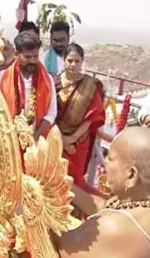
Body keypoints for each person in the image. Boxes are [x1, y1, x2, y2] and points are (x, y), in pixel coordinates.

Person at [54, 127, 150, 258]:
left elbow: (58, 244)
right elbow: (106, 208)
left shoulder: (114, 227)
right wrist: (62, 185)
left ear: (131, 175)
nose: (105, 161)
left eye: (111, 158)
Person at [56, 43, 107, 215]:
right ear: (64, 61)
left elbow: (93, 116)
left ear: (82, 62)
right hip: (56, 139)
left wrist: (72, 138)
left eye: (77, 61)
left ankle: (76, 214)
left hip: (78, 143)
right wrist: (61, 139)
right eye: (70, 60)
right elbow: (46, 112)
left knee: (74, 180)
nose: (73, 65)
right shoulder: (54, 82)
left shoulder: (89, 85)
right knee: (55, 179)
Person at [0, 32, 57, 141]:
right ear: (17, 54)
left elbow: (51, 114)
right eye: (28, 57)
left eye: (35, 56)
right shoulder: (3, 78)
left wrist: (33, 139)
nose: (33, 61)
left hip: (37, 143)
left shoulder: (48, 80)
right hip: (11, 141)